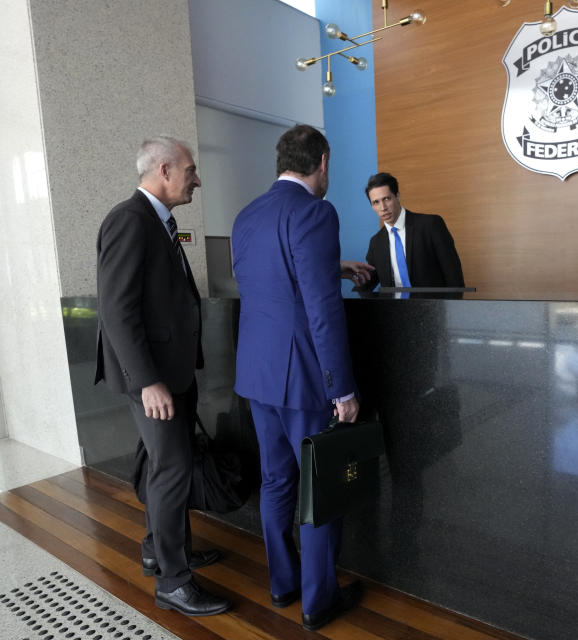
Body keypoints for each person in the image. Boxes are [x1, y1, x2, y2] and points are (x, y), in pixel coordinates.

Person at [231, 124, 363, 631]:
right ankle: (318, 602)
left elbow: (272, 283)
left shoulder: (247, 215)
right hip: (305, 379)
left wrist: (334, 268)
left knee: (276, 481)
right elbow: (321, 309)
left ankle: (283, 585)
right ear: (323, 162)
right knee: (320, 488)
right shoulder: (315, 211)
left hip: (257, 376)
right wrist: (342, 388)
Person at [94, 136, 229, 617]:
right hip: (155, 379)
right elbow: (117, 310)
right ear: (166, 169)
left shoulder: (158, 221)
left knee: (162, 464)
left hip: (172, 372)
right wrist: (148, 380)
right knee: (172, 470)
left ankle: (160, 548)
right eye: (191, 170)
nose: (197, 179)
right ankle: (174, 581)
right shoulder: (129, 220)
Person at [353, 172, 464, 292]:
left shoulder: (431, 225)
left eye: (386, 198)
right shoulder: (376, 243)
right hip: (396, 310)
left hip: (434, 308)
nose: (383, 207)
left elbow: (454, 277)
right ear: (372, 206)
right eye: (376, 202)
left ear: (398, 196)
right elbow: (367, 282)